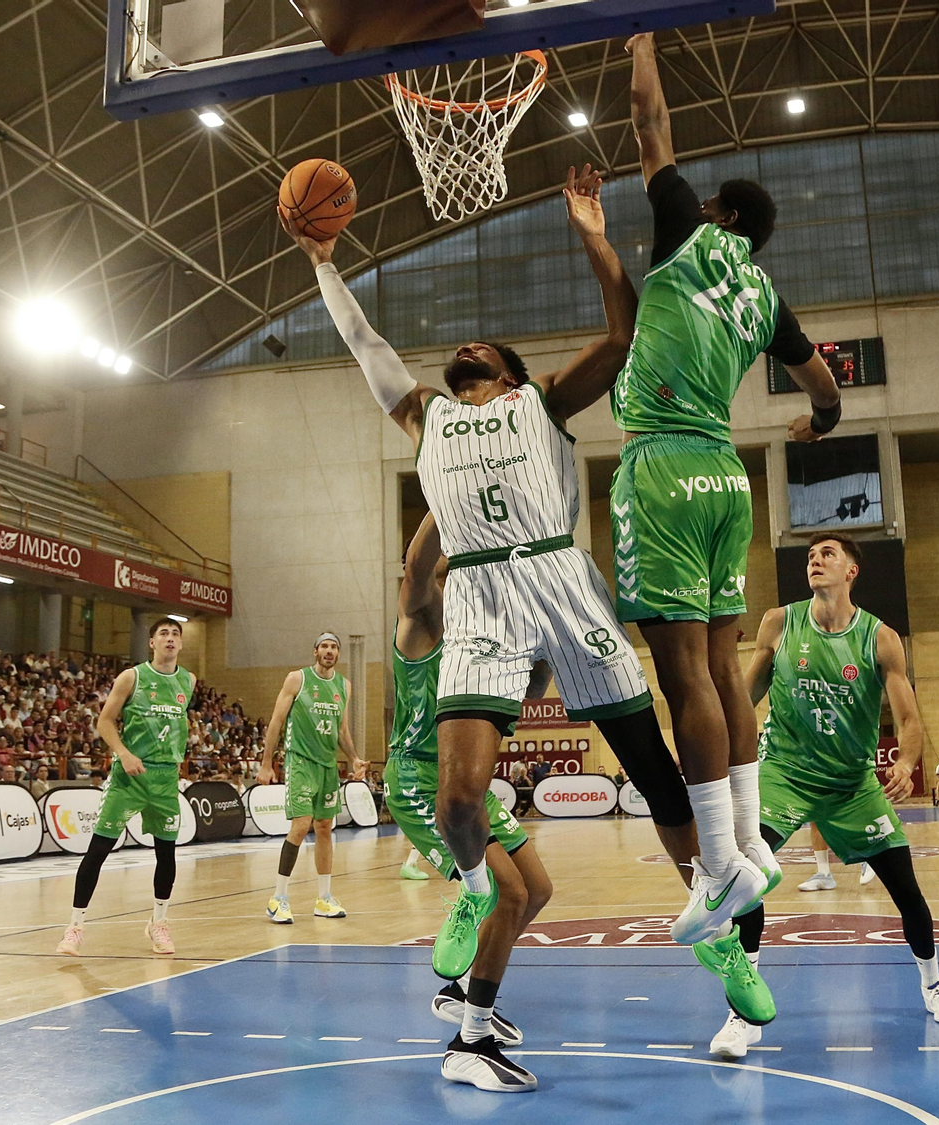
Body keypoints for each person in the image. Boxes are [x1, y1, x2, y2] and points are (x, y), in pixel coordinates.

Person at [282, 162, 699, 1002]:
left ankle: (712, 911)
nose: (468, 344)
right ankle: (475, 893)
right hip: (478, 596)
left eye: (484, 349)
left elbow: (620, 340)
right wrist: (323, 262)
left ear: (508, 374)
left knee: (652, 765)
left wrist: (597, 242)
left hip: (560, 577)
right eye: (462, 348)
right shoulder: (424, 416)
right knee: (457, 803)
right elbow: (365, 344)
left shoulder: (542, 401)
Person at [619, 31, 846, 945]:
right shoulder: (765, 295)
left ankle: (718, 868)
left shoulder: (687, 231)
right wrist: (815, 427)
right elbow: (826, 387)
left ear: (717, 212)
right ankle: (749, 842)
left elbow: (649, 123)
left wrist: (641, 44)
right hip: (727, 477)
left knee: (684, 678)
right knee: (721, 670)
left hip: (666, 467)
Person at [717, 532, 939, 1058]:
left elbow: (908, 719)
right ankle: (744, 1012)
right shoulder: (779, 623)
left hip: (853, 782)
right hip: (784, 770)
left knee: (905, 888)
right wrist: (711, 736)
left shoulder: (880, 638)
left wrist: (905, 759)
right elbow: (744, 697)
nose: (816, 561)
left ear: (851, 570)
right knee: (748, 875)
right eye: (811, 556)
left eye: (828, 554)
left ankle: (934, 983)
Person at [384, 515, 550, 1090]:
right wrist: (444, 484)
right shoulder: (423, 626)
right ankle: (470, 1043)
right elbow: (416, 571)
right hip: (419, 779)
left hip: (468, 783)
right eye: (461, 574)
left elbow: (534, 692)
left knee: (538, 891)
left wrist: (546, 639)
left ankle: (458, 991)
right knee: (510, 893)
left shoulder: (488, 644)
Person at [55, 618, 195, 957]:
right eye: (164, 633)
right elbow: (104, 720)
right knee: (99, 849)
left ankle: (158, 923)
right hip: (128, 777)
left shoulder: (188, 681)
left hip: (164, 779)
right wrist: (124, 753)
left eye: (176, 634)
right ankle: (74, 927)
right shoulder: (132, 677)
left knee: (167, 854)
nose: (171, 639)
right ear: (152, 642)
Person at [257, 632, 358, 924]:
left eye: (334, 647)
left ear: (338, 654)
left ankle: (324, 898)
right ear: (315, 651)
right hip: (300, 761)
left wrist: (354, 758)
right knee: (301, 825)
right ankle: (278, 898)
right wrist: (266, 763)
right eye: (324, 646)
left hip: (328, 766)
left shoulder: (344, 686)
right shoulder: (296, 679)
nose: (329, 651)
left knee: (325, 827)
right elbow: (276, 721)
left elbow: (342, 731)